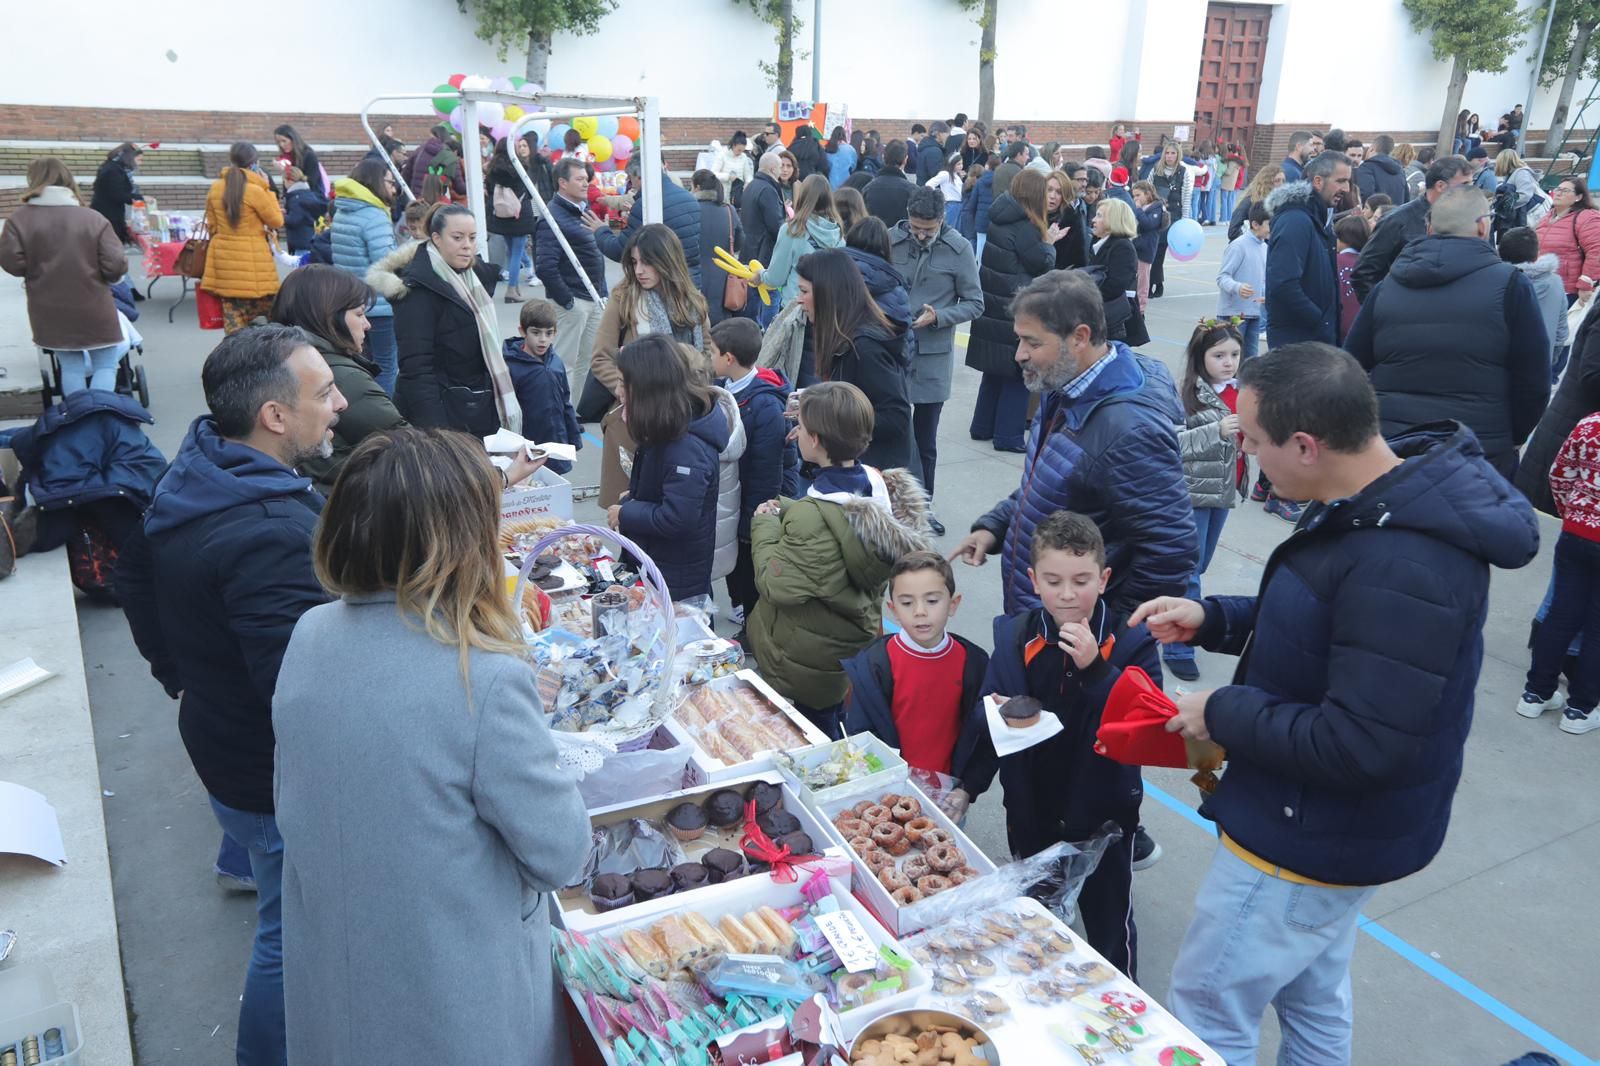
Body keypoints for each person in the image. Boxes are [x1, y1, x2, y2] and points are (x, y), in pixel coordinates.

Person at [1132, 343, 1538, 1066]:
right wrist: (1216, 618)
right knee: (1313, 998)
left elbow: (1360, 741)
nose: (1246, 455)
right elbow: (1330, 617)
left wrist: (1218, 712)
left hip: (1305, 841)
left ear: (1307, 445)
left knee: (1207, 1008)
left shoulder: (1405, 561)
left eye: (1253, 442)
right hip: (1334, 839)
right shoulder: (1375, 501)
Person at [273, 427, 589, 1066]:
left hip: (339, 974)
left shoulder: (310, 634)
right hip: (453, 992)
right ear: (463, 540)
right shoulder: (484, 674)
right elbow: (561, 853)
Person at [116, 324, 348, 1066]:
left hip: (221, 739)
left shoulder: (202, 466)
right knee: (292, 935)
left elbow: (134, 576)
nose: (340, 404)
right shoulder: (268, 528)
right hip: (266, 772)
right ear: (274, 417)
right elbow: (298, 691)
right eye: (324, 392)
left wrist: (178, 672)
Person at [956, 511, 1159, 976]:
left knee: (1110, 924)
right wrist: (969, 784)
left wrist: (1095, 670)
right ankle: (1043, 991)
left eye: (1082, 580)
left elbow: (1146, 726)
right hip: (1032, 807)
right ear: (1033, 580)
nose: (1068, 594)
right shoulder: (1016, 637)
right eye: (1053, 580)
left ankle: (1123, 1005)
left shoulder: (1130, 641)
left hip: (1103, 814)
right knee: (1037, 915)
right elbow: (991, 722)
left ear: (1104, 578)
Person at [952, 268, 1195, 625]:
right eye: (1019, 340)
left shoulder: (1129, 431)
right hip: (1043, 619)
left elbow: (1170, 552)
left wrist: (1109, 636)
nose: (1019, 354)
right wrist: (996, 526)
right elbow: (1052, 485)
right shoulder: (1067, 386)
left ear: (1080, 337)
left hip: (1075, 643)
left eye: (1033, 343)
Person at [746, 381, 932, 738]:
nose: (796, 432)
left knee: (804, 737)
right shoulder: (873, 485)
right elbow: (834, 529)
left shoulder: (812, 516)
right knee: (830, 723)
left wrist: (765, 525)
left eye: (799, 426)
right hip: (843, 647)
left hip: (803, 662)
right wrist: (789, 507)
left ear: (814, 440)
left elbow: (777, 584)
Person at [1344, 186, 1550, 481]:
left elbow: (1352, 366)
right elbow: (1534, 377)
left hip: (1391, 446)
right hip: (1478, 449)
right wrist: (1514, 433)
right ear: (1483, 225)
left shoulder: (1386, 287)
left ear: (1429, 227)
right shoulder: (1510, 286)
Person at [841, 551, 988, 790]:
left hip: (948, 793)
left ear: (953, 604)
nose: (920, 611)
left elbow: (985, 735)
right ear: (893, 609)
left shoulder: (974, 663)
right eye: (907, 603)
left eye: (932, 600)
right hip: (888, 790)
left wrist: (967, 789)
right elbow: (861, 735)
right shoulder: (875, 665)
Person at [590, 224, 712, 506]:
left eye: (647, 262)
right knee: (626, 512)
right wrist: (626, 389)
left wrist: (692, 376)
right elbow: (601, 357)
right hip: (634, 421)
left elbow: (708, 358)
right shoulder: (625, 298)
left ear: (667, 261)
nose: (639, 270)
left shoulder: (694, 302)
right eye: (634, 262)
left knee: (670, 510)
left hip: (685, 418)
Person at [603, 336, 730, 601]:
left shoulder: (687, 447)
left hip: (675, 581)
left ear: (647, 388)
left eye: (623, 383)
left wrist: (627, 513)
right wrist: (636, 498)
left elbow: (677, 518)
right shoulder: (667, 423)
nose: (618, 391)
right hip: (655, 563)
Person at [890, 187, 984, 534]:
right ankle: (894, 505)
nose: (920, 234)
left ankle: (923, 508)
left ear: (942, 220)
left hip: (932, 355)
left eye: (928, 229)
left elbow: (976, 302)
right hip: (893, 350)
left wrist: (940, 316)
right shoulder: (891, 240)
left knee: (925, 439)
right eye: (915, 227)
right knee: (893, 433)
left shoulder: (959, 249)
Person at [269, 265, 406, 495]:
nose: (368, 324)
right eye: (360, 314)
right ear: (329, 317)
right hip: (348, 496)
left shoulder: (275, 352)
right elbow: (406, 443)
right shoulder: (341, 376)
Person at [1160, 321, 1245, 681]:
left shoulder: (1239, 392)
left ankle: (1166, 610)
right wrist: (1215, 431)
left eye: (1235, 355)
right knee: (1188, 570)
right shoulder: (1186, 395)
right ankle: (1178, 644)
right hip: (1192, 494)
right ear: (1200, 357)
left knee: (1201, 564)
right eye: (1219, 355)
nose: (1228, 362)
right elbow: (1172, 444)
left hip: (1221, 493)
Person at [0, 158, 129, 395]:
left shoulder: (18, 220)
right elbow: (116, 265)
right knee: (106, 364)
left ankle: (77, 421)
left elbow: (12, 264)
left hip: (48, 308)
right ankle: (99, 415)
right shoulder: (93, 218)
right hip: (94, 305)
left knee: (70, 368)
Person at [389, 204, 514, 437]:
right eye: (457, 238)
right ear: (436, 238)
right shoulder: (417, 289)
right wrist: (439, 431)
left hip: (475, 404)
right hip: (442, 414)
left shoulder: (474, 278)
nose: (467, 245)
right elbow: (416, 368)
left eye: (472, 237)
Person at [709, 317, 798, 626]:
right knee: (736, 560)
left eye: (712, 352)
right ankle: (739, 604)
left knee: (748, 562)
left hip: (755, 500)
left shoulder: (765, 406)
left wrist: (753, 522)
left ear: (728, 358)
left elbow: (766, 471)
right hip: (736, 493)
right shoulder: (725, 387)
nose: (710, 357)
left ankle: (753, 620)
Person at [1518, 410, 1600, 734]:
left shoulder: (1590, 424)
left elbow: (1560, 473)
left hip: (1577, 532)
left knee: (1561, 613)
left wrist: (1574, 513)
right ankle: (1580, 710)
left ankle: (1536, 693)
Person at [795, 247, 914, 468]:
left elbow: (896, 418)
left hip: (870, 474)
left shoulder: (865, 347)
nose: (798, 300)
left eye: (804, 291)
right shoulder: (842, 335)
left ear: (827, 293)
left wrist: (828, 421)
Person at [967, 169, 1058, 453]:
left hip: (993, 305)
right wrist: (1050, 245)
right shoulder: (1026, 227)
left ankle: (982, 427)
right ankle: (1007, 436)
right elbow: (1040, 263)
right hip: (1015, 308)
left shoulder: (1000, 218)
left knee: (993, 373)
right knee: (1019, 375)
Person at [1350, 154, 1473, 302]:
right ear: (1440, 186)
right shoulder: (1397, 221)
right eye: (1464, 185)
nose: (1471, 191)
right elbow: (1363, 273)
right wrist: (1383, 311)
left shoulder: (1470, 220)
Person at [534, 157, 609, 396]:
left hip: (592, 298)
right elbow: (545, 266)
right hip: (574, 301)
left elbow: (594, 255)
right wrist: (568, 301)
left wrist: (601, 293)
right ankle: (558, 413)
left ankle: (572, 413)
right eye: (580, 179)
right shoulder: (552, 217)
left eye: (586, 179)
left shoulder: (581, 212)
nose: (586, 184)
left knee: (585, 362)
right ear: (562, 183)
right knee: (563, 362)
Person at [1265, 151, 1350, 351]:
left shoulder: (1317, 218)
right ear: (1318, 181)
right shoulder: (1295, 221)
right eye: (1341, 181)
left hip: (1313, 341)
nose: (1346, 189)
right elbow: (1283, 285)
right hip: (1299, 344)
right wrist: (1320, 320)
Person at [329, 160, 401, 395]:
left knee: (361, 366)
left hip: (350, 302)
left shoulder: (343, 210)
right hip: (380, 304)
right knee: (387, 366)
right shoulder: (374, 216)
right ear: (378, 182)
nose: (394, 189)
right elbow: (387, 261)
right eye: (391, 182)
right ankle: (384, 421)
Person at [202, 142, 286, 334]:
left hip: (225, 263)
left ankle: (236, 359)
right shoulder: (256, 190)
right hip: (256, 263)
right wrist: (269, 190)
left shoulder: (216, 188)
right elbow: (276, 221)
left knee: (234, 322)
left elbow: (212, 225)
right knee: (265, 322)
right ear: (254, 163)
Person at [501, 298, 582, 476]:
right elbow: (506, 413)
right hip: (526, 449)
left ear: (555, 333)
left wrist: (573, 437)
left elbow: (565, 402)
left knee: (554, 489)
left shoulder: (556, 363)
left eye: (548, 333)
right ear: (522, 331)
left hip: (555, 444)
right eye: (536, 333)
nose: (542, 340)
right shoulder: (511, 367)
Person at [593, 159, 703, 285]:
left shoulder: (644, 206)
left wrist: (601, 230)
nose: (630, 183)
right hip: (691, 280)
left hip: (664, 284)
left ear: (639, 177)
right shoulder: (689, 198)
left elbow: (620, 251)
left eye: (630, 178)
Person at [756, 174, 844, 318]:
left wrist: (761, 275)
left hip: (795, 308)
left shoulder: (792, 230)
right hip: (829, 310)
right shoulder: (838, 233)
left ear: (802, 196)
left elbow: (775, 278)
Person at [1501, 226, 1569, 378]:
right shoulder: (1556, 282)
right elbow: (1561, 330)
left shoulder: (1498, 281)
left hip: (1500, 367)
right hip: (1540, 365)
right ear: (1537, 254)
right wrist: (1552, 358)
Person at [1535, 175, 1600, 313]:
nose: (1558, 192)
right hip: (1543, 286)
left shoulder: (1586, 217)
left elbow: (1596, 250)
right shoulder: (1547, 216)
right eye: (1558, 189)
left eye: (1565, 190)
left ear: (1578, 197)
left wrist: (1586, 284)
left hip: (1568, 291)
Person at [484, 139, 537, 305]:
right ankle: (512, 290)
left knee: (511, 250)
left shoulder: (492, 169)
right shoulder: (519, 166)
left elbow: (489, 190)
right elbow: (529, 189)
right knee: (516, 251)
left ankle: (515, 286)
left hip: (501, 214)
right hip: (519, 214)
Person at [1217, 202, 1270, 361]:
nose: (1273, 227)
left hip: (1254, 312)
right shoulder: (1238, 246)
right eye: (1270, 224)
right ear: (1255, 224)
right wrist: (1237, 287)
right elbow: (1222, 277)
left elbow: (1263, 279)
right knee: (1230, 360)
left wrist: (1266, 294)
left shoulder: (1265, 248)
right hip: (1233, 314)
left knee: (1249, 361)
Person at [691, 168, 744, 325]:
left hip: (694, 274)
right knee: (722, 328)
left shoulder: (690, 210)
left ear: (698, 187)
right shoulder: (729, 210)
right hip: (724, 277)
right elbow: (740, 240)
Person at [1088, 199, 1140, 346]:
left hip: (1113, 321)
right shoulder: (1098, 243)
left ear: (1113, 220)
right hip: (1101, 314)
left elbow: (1116, 285)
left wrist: (1087, 294)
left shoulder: (1122, 247)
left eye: (1099, 216)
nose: (1093, 220)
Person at [1148, 143, 1193, 300]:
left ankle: (1156, 282)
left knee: (1160, 252)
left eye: (1173, 153)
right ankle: (1153, 282)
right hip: (1156, 214)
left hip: (1173, 216)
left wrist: (1185, 221)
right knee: (1152, 251)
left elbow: (1186, 196)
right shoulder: (1156, 170)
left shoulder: (1184, 172)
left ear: (1178, 154)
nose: (1169, 156)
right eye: (1167, 153)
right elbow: (1148, 190)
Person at [741, 152, 788, 290]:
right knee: (763, 297)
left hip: (749, 248)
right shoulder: (768, 190)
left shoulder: (751, 186)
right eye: (780, 167)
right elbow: (775, 226)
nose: (781, 171)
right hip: (763, 252)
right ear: (773, 169)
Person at [91, 142, 142, 245]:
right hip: (109, 215)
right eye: (139, 160)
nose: (141, 163)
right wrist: (139, 198)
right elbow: (118, 194)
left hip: (107, 213)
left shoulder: (112, 167)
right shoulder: (114, 171)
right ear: (129, 157)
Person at [1333, 212, 1369, 346]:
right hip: (1363, 326)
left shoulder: (1335, 261)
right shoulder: (1369, 263)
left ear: (1343, 238)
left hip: (1340, 326)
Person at [1129, 180, 1164, 313]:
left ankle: (1141, 308)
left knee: (1143, 280)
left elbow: (1148, 224)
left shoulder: (1156, 208)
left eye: (1138, 195)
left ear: (1148, 194)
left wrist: (1138, 210)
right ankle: (1133, 303)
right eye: (1134, 196)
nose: (1135, 199)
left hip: (1146, 248)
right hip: (1136, 245)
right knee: (1134, 278)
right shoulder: (1143, 208)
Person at [863, 140, 917, 226]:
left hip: (874, 236)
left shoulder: (867, 188)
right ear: (905, 159)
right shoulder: (913, 190)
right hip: (902, 237)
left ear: (883, 157)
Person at [1046, 168, 1089, 270]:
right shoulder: (1031, 216)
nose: (1052, 196)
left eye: (1059, 192)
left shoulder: (1072, 221)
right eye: (1049, 190)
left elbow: (1077, 261)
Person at [1227, 162, 1282, 242]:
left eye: (1283, 180)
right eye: (1277, 180)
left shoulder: (1279, 203)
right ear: (1267, 182)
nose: (1281, 184)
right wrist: (1254, 239)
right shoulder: (1250, 201)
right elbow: (1233, 231)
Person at [1496, 149, 1550, 228]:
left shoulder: (1521, 173)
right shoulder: (1513, 174)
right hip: (1527, 212)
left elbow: (1524, 194)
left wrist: (1507, 203)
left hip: (1533, 212)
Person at [957, 153, 998, 259]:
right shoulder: (998, 181)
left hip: (975, 219)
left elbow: (971, 204)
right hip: (991, 220)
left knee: (976, 247)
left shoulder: (971, 184)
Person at [279, 166, 326, 255]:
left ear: (289, 181)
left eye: (284, 181)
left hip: (301, 241)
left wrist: (282, 216)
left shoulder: (296, 198)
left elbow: (293, 220)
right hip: (310, 239)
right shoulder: (308, 194)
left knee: (301, 267)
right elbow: (303, 214)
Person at [1353, 133, 1408, 206]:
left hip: (1375, 216)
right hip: (1396, 214)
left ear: (1372, 149)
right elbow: (1406, 197)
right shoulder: (1400, 170)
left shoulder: (1366, 168)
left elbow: (1366, 193)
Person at [273, 124, 326, 197]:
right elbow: (287, 184)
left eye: (284, 141)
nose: (281, 145)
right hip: (293, 199)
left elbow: (312, 182)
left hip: (309, 200)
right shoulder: (285, 157)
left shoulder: (308, 155)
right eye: (278, 142)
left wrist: (286, 170)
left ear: (293, 139)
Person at [926, 151, 965, 229]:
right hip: (950, 205)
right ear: (951, 164)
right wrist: (940, 196)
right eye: (958, 164)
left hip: (958, 206)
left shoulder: (956, 175)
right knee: (949, 229)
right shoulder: (945, 174)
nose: (961, 166)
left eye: (961, 163)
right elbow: (929, 184)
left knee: (956, 229)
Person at [714, 130, 755, 203]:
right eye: (739, 150)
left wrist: (748, 183)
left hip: (737, 194)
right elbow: (713, 173)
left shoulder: (743, 157)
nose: (740, 153)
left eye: (742, 150)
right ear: (733, 145)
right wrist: (727, 176)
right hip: (723, 192)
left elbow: (748, 175)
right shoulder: (722, 155)